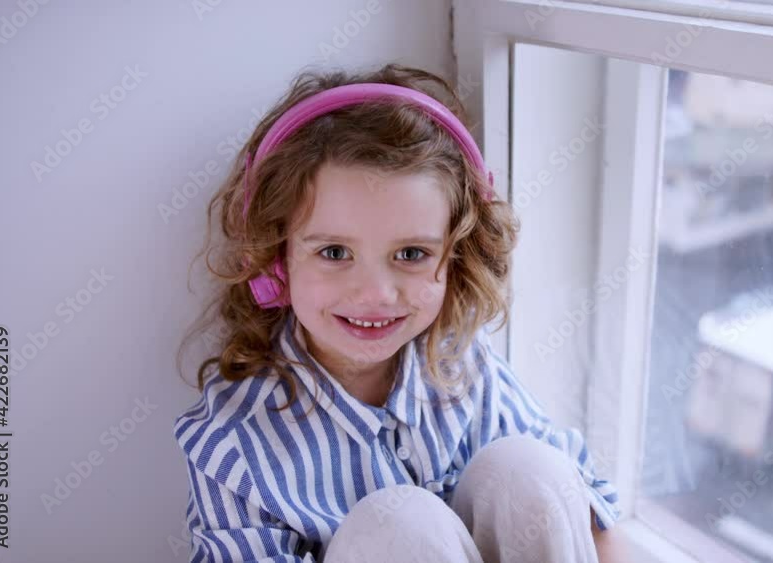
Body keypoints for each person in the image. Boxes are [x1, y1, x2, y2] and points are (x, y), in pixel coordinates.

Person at [173, 63, 624, 563]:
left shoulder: (464, 368)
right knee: (400, 525)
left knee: (531, 470)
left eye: (411, 254)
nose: (376, 294)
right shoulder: (234, 443)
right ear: (275, 262)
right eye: (334, 253)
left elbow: (588, 515)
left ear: (453, 259)